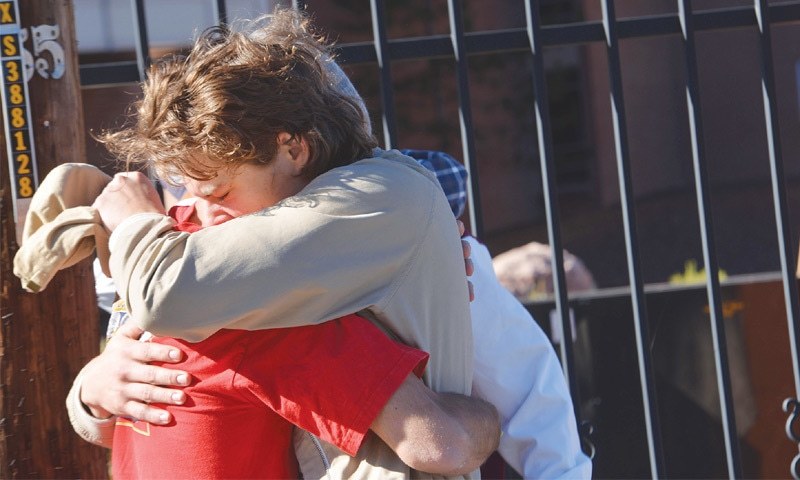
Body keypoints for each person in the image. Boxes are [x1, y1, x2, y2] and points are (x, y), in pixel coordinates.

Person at [78, 8, 485, 479]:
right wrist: (93, 386)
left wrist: (132, 221)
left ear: (294, 150)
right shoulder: (274, 263)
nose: (205, 214)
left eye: (221, 192)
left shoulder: (378, 199)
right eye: (190, 194)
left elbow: (167, 294)